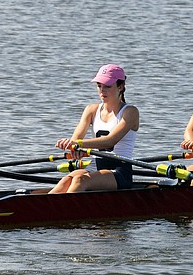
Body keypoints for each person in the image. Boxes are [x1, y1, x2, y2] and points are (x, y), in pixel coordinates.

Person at [49, 64, 140, 194]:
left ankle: (61, 211)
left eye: (108, 86)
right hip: (95, 167)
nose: (102, 91)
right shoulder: (91, 110)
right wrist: (75, 148)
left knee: (80, 180)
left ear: (121, 86)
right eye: (99, 86)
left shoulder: (130, 112)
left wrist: (78, 144)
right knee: (67, 180)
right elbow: (76, 139)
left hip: (119, 172)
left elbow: (110, 141)